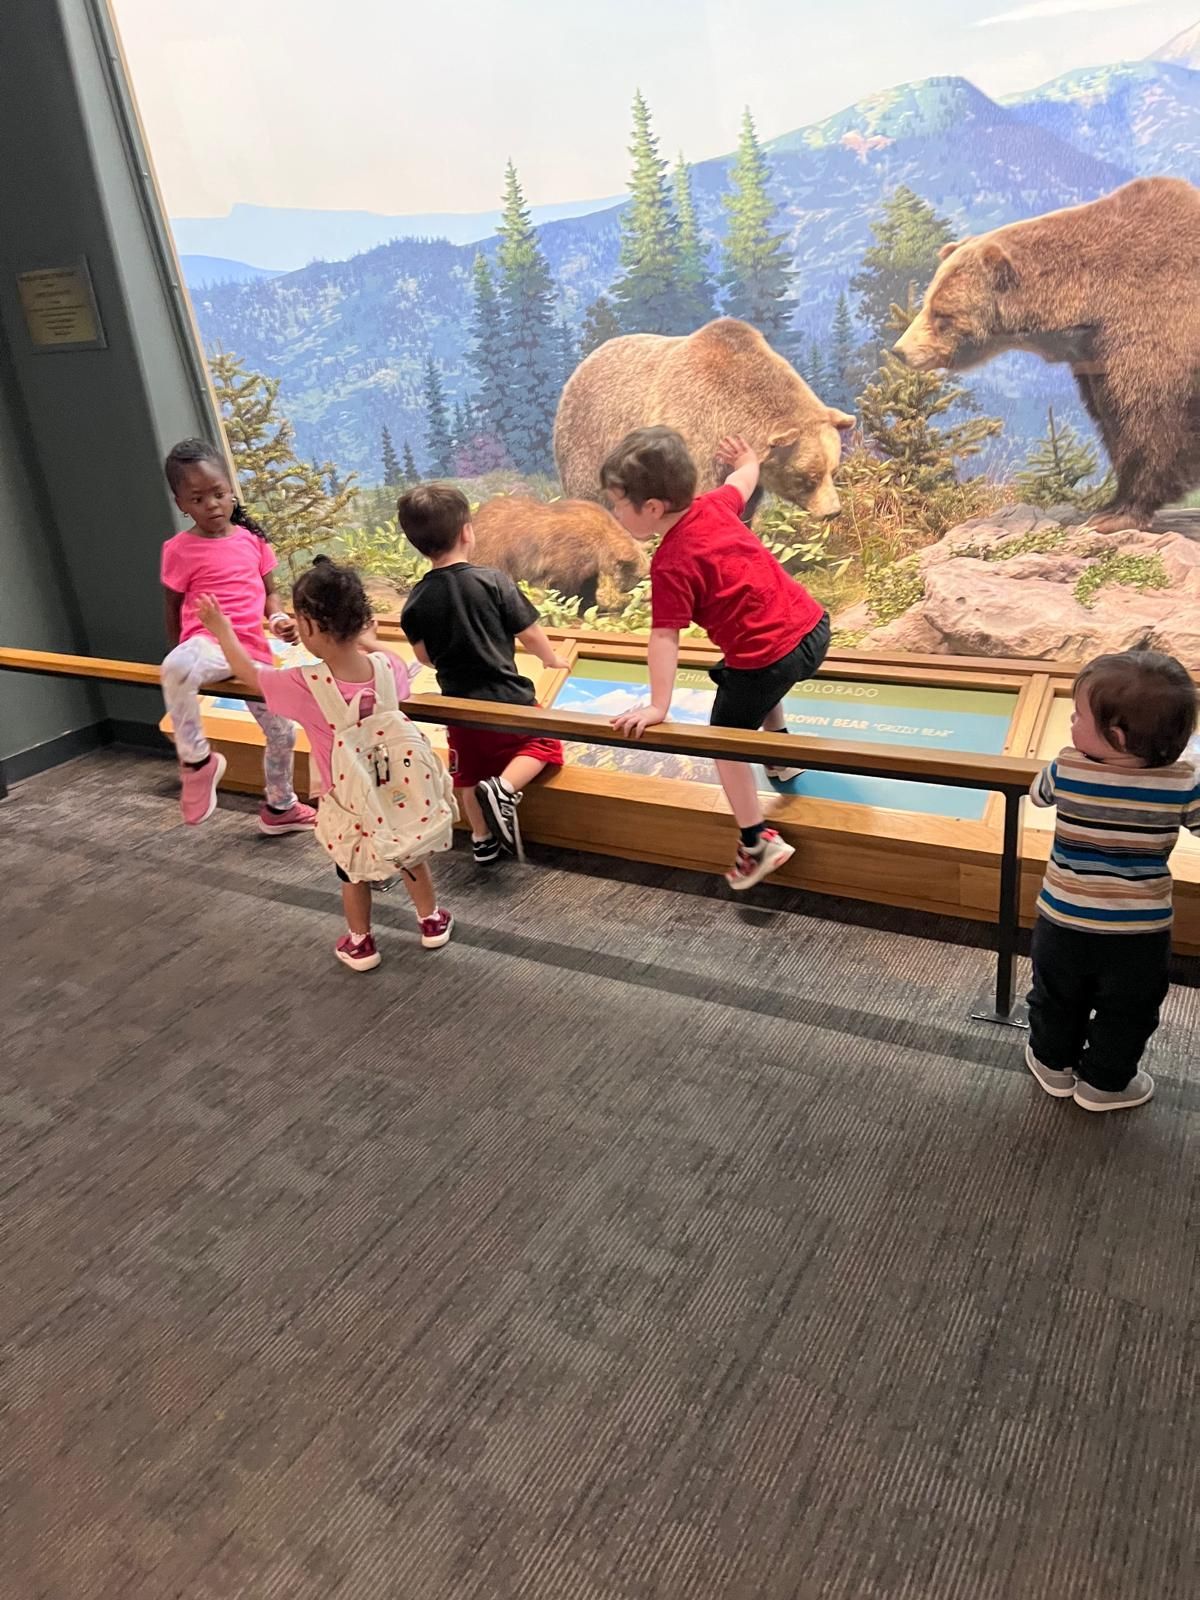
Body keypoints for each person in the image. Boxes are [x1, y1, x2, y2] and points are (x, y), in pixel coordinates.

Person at [602, 426, 831, 890]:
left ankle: (757, 841)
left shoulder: (671, 561)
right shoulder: (715, 504)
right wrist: (747, 459)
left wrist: (658, 705)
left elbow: (664, 636)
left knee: (723, 741)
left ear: (652, 508)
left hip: (770, 659)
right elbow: (742, 480)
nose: (614, 512)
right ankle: (780, 755)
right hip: (812, 630)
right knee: (741, 671)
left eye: (617, 503)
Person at [197, 559, 453, 972]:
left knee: (351, 869)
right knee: (408, 850)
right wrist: (370, 641)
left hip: (344, 799)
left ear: (309, 626)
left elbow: (249, 674)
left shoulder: (305, 683)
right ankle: (431, 921)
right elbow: (399, 663)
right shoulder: (386, 668)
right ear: (360, 620)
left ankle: (361, 942)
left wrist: (222, 630)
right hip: (396, 789)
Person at [1026, 648, 1200, 1111]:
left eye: (1078, 715)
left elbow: (1038, 795)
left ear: (1117, 735)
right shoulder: (1183, 784)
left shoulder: (1066, 768)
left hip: (1063, 918)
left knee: (1056, 996)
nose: (1071, 722)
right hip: (1139, 931)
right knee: (1129, 1008)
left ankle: (1052, 1064)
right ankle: (1104, 1084)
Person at [397, 482, 568, 862]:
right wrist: (551, 659)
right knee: (544, 742)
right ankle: (504, 788)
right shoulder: (493, 581)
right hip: (509, 699)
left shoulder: (417, 599)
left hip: (458, 707)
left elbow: (423, 655)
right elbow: (529, 632)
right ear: (467, 532)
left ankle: (481, 838)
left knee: (468, 773)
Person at [160, 438, 315, 834]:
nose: (211, 505)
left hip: (252, 655)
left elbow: (269, 592)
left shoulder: (253, 541)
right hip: (209, 647)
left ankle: (280, 806)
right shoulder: (179, 549)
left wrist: (278, 619)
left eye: (218, 493)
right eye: (198, 499)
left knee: (282, 731)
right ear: (181, 504)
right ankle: (197, 762)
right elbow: (172, 606)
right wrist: (182, 652)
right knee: (176, 666)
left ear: (231, 490)